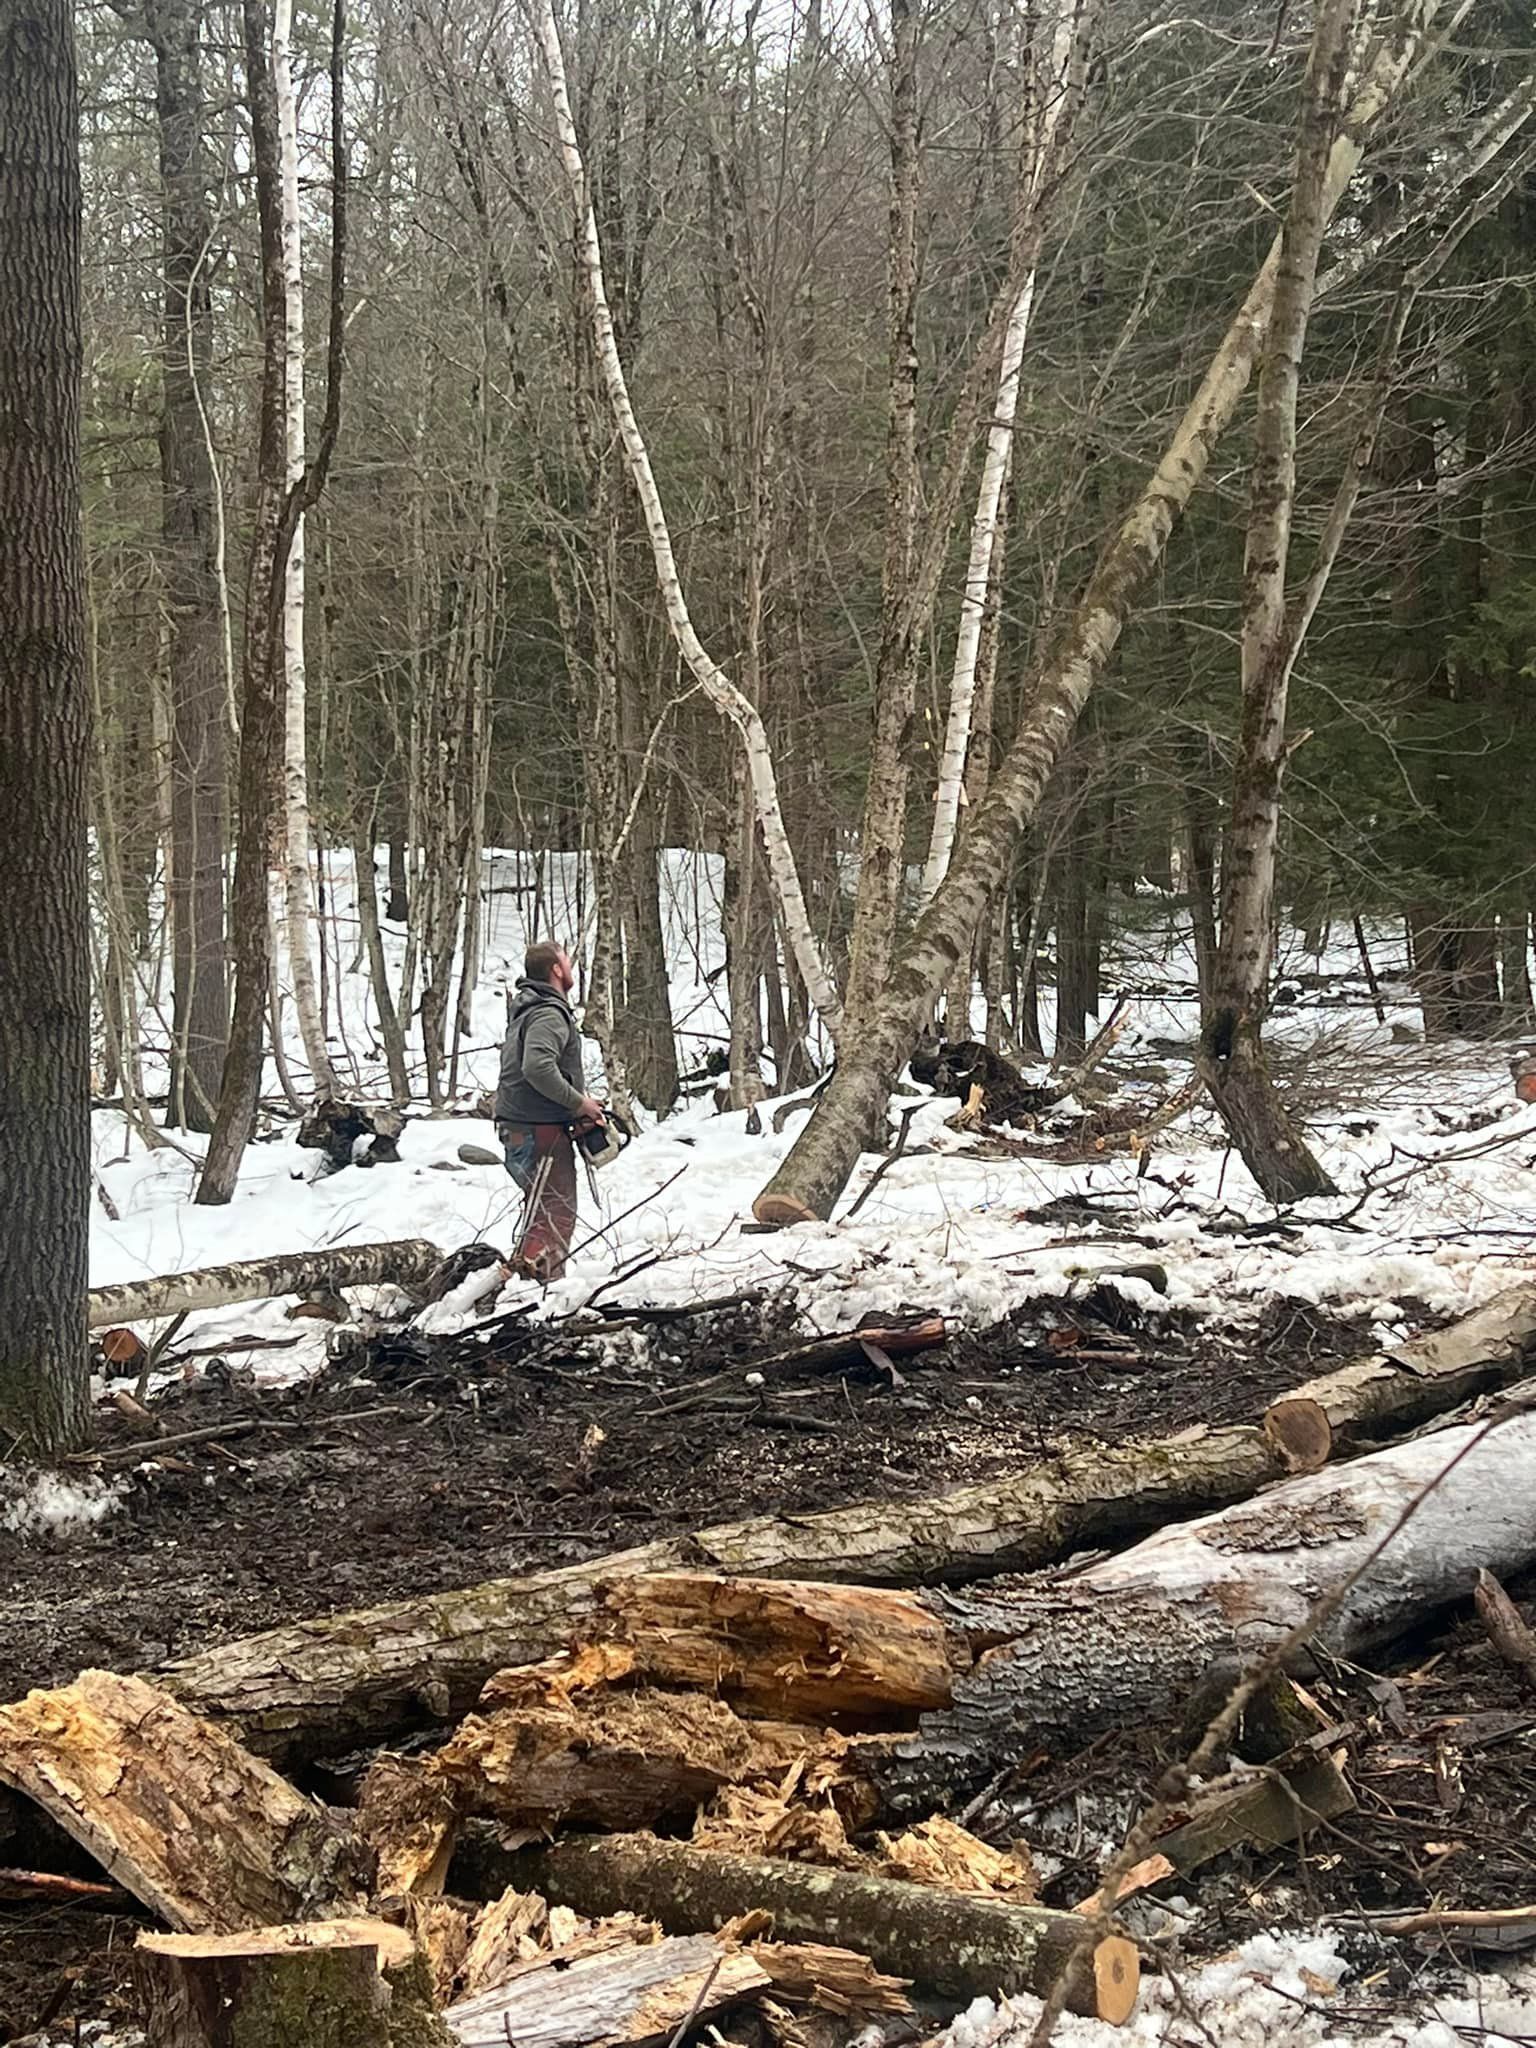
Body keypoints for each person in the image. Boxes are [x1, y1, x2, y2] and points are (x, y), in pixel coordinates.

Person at [494, 941, 605, 1280]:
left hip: (523, 1124)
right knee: (554, 1213)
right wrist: (580, 1102)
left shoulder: (529, 1009)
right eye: (567, 962)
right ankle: (539, 1291)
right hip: (538, 1128)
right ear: (556, 969)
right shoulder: (548, 1013)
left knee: (540, 1210)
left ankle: (522, 1284)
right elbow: (538, 1068)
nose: (570, 967)